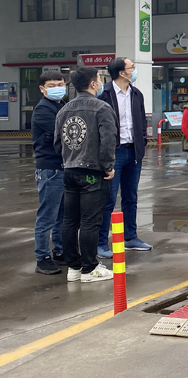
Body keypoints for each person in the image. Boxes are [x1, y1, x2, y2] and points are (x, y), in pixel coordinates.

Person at [54, 67, 117, 283]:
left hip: (69, 170)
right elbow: (108, 140)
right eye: (99, 80)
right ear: (93, 83)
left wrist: (69, 159)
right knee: (91, 221)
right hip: (93, 172)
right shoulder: (102, 108)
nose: (100, 83)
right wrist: (107, 166)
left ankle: (74, 267)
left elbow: (57, 143)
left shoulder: (64, 110)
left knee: (70, 220)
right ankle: (90, 268)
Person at [97, 57, 152, 258]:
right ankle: (101, 242)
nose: (134, 70)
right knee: (108, 199)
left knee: (131, 197)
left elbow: (141, 120)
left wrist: (143, 141)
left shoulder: (136, 94)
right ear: (122, 72)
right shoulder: (104, 94)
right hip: (114, 152)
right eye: (132, 68)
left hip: (133, 151)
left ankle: (130, 237)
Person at [31, 70, 67, 275]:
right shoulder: (43, 110)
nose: (57, 89)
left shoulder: (61, 105)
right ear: (42, 88)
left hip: (63, 167)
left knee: (62, 214)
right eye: (52, 86)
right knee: (48, 215)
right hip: (50, 169)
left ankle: (60, 252)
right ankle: (42, 257)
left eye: (60, 84)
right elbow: (62, 134)